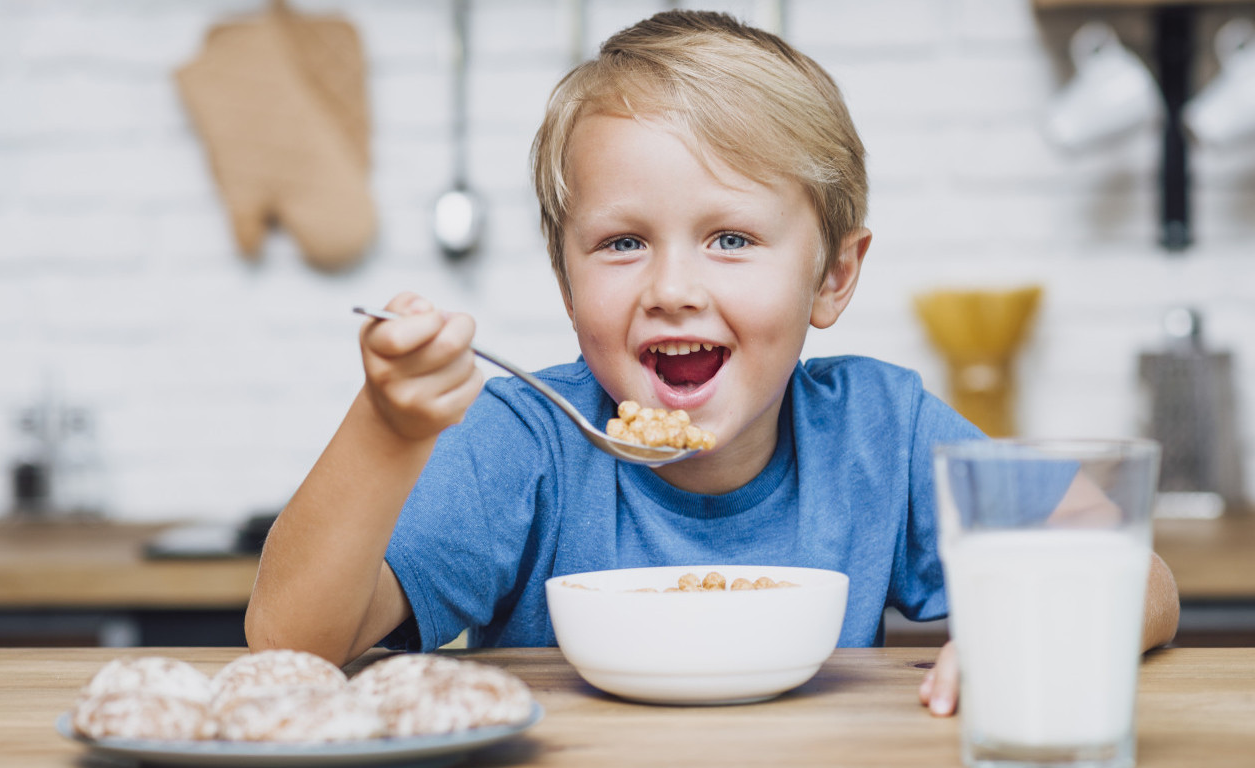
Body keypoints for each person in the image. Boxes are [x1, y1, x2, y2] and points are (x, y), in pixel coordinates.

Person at [245, 10, 1179, 717]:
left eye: (731, 238)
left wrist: (1037, 626)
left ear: (833, 275)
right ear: (564, 282)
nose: (673, 288)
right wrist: (388, 427)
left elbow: (1136, 572)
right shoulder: (527, 437)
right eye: (620, 244)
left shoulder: (879, 431)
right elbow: (291, 642)